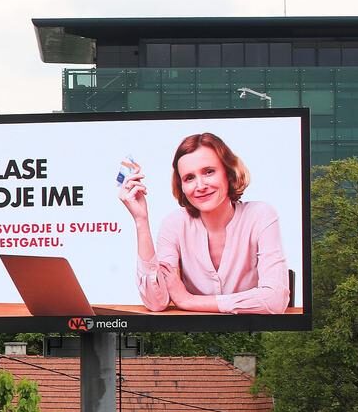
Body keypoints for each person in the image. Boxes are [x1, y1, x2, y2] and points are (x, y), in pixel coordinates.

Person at [118, 132, 289, 314]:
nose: (200, 186)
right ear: (182, 186)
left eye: (209, 172)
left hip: (256, 335)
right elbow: (156, 303)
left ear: (228, 173)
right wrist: (141, 221)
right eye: (189, 178)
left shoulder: (260, 215)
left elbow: (275, 300)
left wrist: (189, 301)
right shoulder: (174, 224)